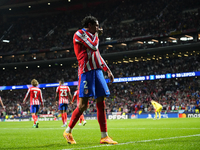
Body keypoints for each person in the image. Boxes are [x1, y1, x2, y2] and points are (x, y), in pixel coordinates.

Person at [63, 15, 117, 145]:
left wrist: (107, 70)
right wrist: (97, 34)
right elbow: (93, 47)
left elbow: (97, 54)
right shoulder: (79, 34)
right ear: (90, 25)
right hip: (86, 72)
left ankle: (104, 136)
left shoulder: (93, 37)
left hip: (97, 71)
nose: (98, 28)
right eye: (96, 25)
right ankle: (68, 131)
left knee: (101, 102)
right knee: (83, 105)